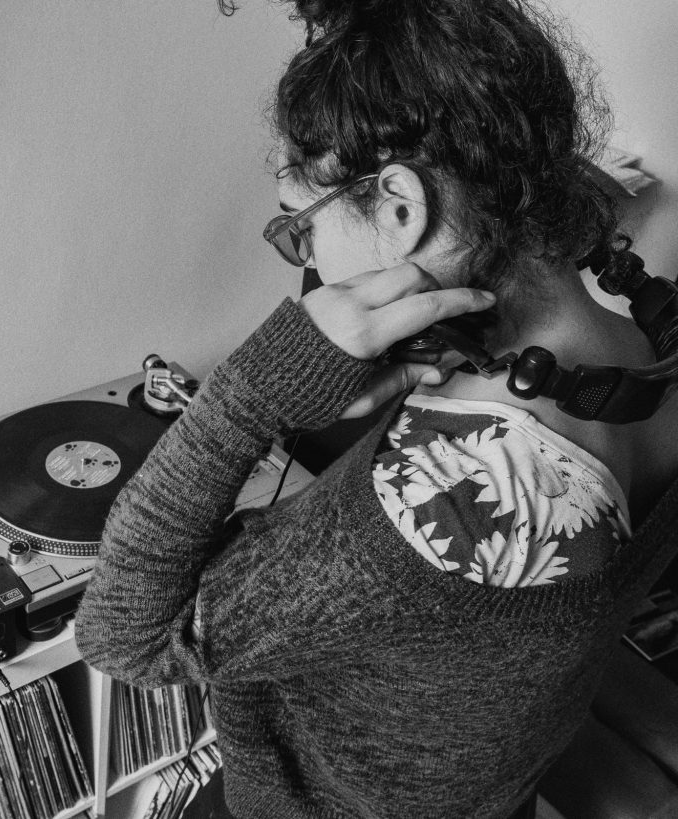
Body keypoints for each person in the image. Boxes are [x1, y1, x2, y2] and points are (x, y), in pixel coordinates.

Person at [75, 1, 678, 816]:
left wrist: (254, 390)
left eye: (300, 224)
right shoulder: (651, 352)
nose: (309, 253)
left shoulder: (442, 503)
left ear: (401, 208)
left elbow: (120, 633)